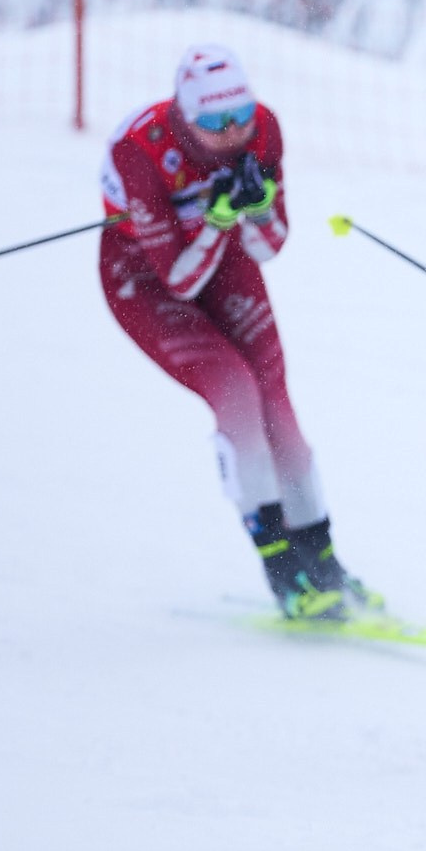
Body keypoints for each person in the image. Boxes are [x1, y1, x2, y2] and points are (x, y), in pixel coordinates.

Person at [99, 44, 371, 618]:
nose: (233, 132)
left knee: (279, 405)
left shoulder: (263, 130)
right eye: (215, 122)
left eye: (240, 115)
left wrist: (258, 208)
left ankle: (323, 559)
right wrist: (219, 218)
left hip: (222, 262)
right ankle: (282, 570)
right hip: (144, 280)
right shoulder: (140, 151)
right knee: (236, 392)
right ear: (184, 116)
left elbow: (268, 247)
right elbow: (176, 279)